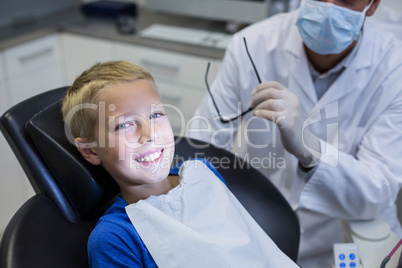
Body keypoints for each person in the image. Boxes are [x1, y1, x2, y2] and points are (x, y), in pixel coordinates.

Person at [190, 0, 402, 267]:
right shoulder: (252, 44)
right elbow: (203, 147)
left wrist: (311, 149)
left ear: (372, 6)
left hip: (343, 241)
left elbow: (376, 192)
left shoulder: (395, 70)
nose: (328, 6)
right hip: (256, 228)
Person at [61, 61, 298, 267]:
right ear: (90, 150)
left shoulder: (203, 173)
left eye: (156, 115)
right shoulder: (115, 237)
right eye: (124, 125)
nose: (149, 134)